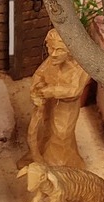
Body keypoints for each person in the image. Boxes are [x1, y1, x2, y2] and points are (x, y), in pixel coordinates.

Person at [26, 27, 90, 170]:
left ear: (70, 49)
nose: (53, 54)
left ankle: (58, 168)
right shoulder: (52, 60)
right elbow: (39, 75)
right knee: (47, 130)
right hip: (50, 104)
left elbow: (74, 90)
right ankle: (40, 155)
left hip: (66, 108)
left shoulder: (80, 67)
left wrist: (50, 91)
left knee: (62, 135)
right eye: (51, 48)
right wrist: (36, 90)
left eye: (59, 50)